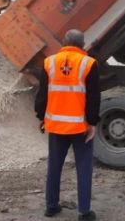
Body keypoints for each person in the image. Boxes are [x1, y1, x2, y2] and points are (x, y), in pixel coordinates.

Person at [34, 29, 100, 221]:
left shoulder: (49, 62)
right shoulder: (88, 64)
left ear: (64, 42)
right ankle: (84, 212)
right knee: (84, 168)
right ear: (82, 44)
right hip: (80, 128)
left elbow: (42, 94)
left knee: (54, 166)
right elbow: (93, 97)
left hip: (55, 126)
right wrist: (92, 123)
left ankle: (51, 206)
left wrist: (41, 117)